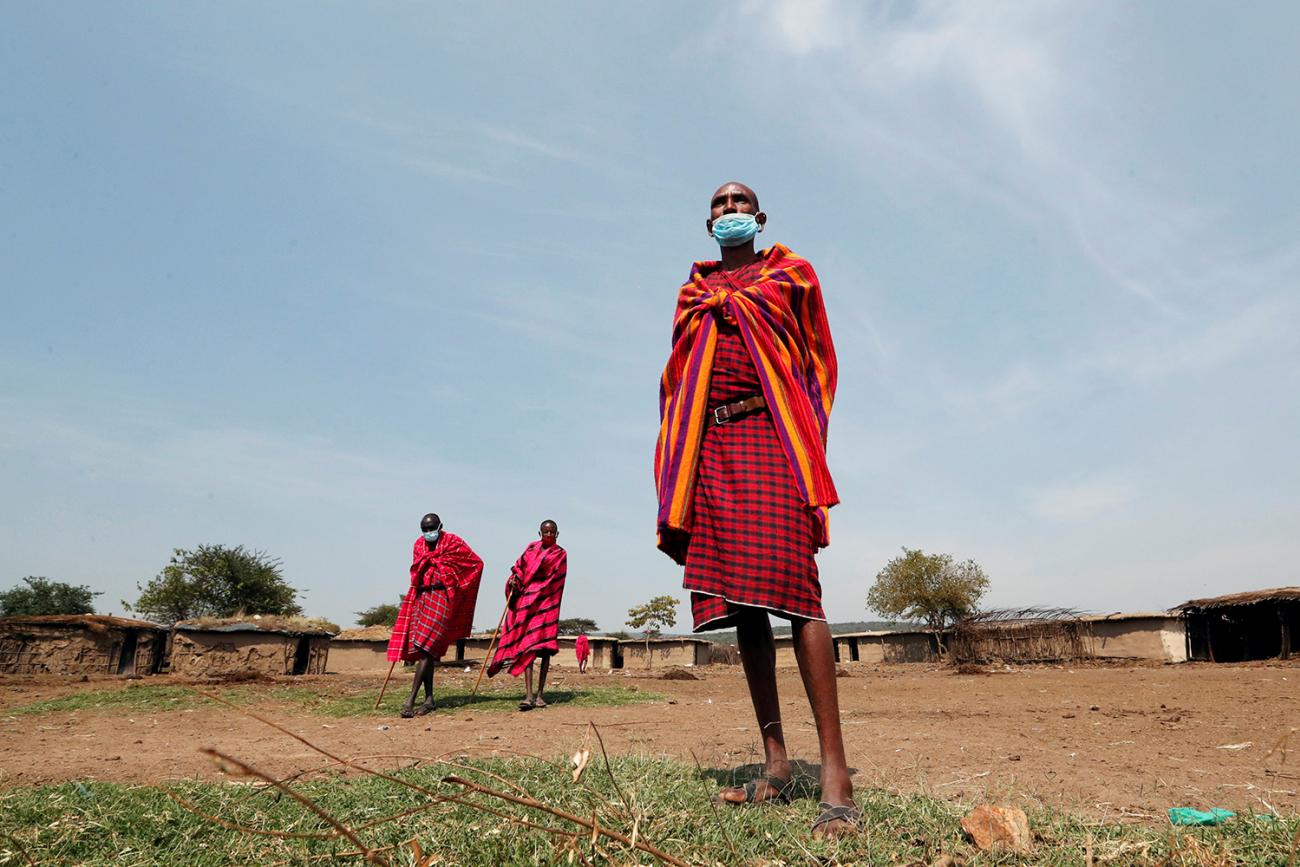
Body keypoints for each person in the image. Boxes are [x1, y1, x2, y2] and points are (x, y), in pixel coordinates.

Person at [653, 182, 859, 837]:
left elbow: (819, 359)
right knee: (744, 605)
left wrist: (806, 438)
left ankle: (836, 776)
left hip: (772, 436)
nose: (729, 209)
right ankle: (776, 763)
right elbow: (676, 382)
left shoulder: (791, 274)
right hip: (712, 449)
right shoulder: (694, 295)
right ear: (707, 221)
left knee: (801, 595)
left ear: (759, 217)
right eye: (718, 204)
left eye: (739, 200)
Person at [386, 513, 484, 718]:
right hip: (422, 597)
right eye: (424, 529)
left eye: (431, 528)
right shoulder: (418, 545)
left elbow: (476, 563)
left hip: (442, 597)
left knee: (426, 649)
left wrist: (455, 584)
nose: (428, 533)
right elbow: (415, 570)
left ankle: (410, 701)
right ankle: (429, 699)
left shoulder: (453, 542)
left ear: (440, 526)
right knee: (425, 651)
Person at [487, 520, 567, 710]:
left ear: (557, 534)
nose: (548, 534)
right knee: (528, 648)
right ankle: (529, 696)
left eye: (552, 532)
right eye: (545, 531)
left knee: (545, 650)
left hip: (547, 605)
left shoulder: (560, 554)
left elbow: (556, 581)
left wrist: (537, 590)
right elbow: (519, 568)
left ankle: (540, 695)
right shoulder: (531, 549)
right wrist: (515, 582)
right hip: (527, 605)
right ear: (539, 532)